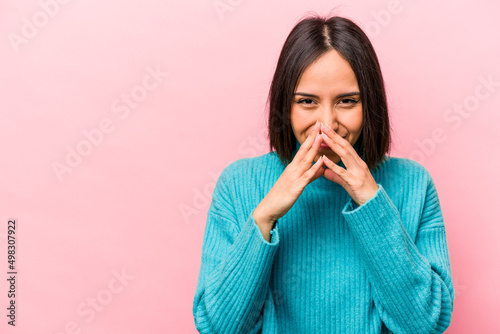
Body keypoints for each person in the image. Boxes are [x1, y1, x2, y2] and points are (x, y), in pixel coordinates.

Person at [192, 13, 454, 334]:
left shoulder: (414, 185)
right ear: (284, 105)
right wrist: (263, 219)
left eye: (347, 101)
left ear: (370, 105)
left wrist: (373, 204)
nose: (326, 125)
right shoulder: (238, 184)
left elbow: (425, 324)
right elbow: (218, 326)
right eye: (306, 101)